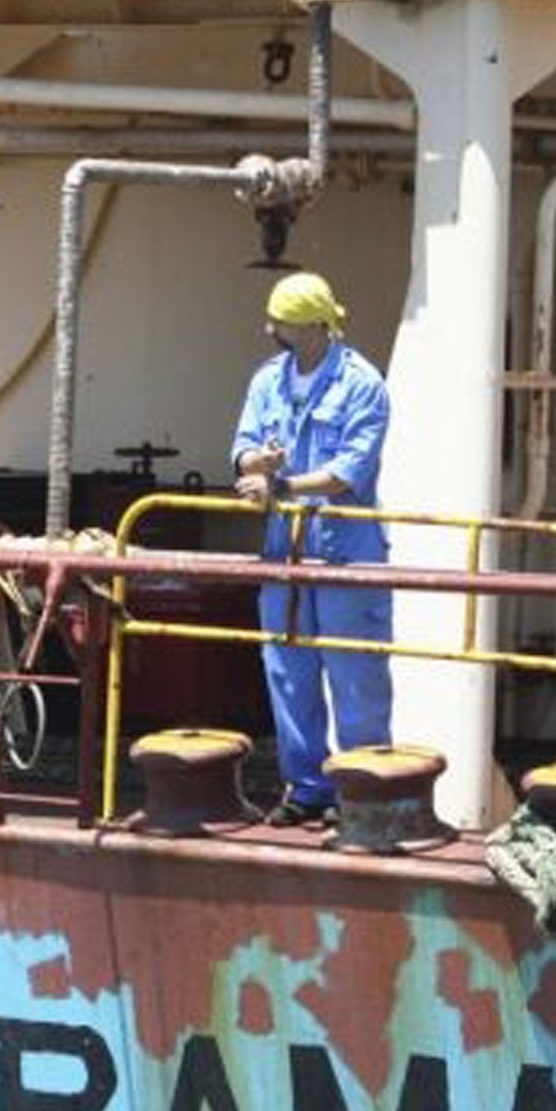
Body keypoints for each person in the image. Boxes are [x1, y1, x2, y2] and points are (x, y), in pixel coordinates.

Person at [230, 271, 392, 826]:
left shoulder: (363, 384)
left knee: (355, 673)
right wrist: (259, 465)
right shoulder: (267, 381)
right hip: (284, 552)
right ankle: (308, 788)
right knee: (287, 669)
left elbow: (350, 471)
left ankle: (364, 791)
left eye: (283, 323)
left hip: (345, 550)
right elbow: (243, 448)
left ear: (317, 325)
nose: (272, 330)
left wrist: (283, 487)